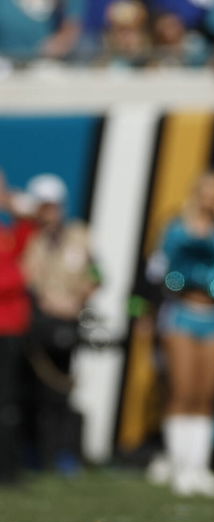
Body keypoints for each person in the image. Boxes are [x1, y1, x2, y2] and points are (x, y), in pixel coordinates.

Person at [152, 170, 214, 497]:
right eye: (205, 191)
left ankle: (198, 466)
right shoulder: (177, 225)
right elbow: (165, 260)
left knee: (206, 395)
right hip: (182, 312)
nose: (211, 198)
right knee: (183, 390)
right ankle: (179, 465)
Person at [20, 174, 99, 475]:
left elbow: (96, 274)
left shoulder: (78, 235)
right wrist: (44, 299)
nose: (49, 212)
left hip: (68, 320)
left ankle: (62, 454)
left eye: (52, 206)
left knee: (61, 389)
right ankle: (34, 451)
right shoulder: (31, 237)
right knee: (31, 387)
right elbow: (26, 276)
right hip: (37, 320)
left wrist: (77, 300)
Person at [0, 171, 35, 484]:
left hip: (10, 326)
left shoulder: (8, 231)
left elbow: (26, 247)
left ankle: (9, 466)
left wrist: (15, 211)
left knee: (8, 399)